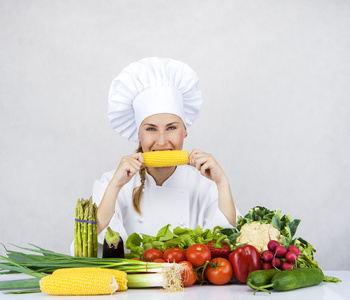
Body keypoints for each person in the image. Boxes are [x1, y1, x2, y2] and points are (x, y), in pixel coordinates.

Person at [93, 57, 240, 256]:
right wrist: (115, 187)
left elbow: (225, 238)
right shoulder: (110, 183)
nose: (162, 142)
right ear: (139, 133)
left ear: (185, 130)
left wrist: (222, 182)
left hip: (190, 286)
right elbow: (99, 242)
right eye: (151, 129)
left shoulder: (206, 184)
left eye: (171, 128)